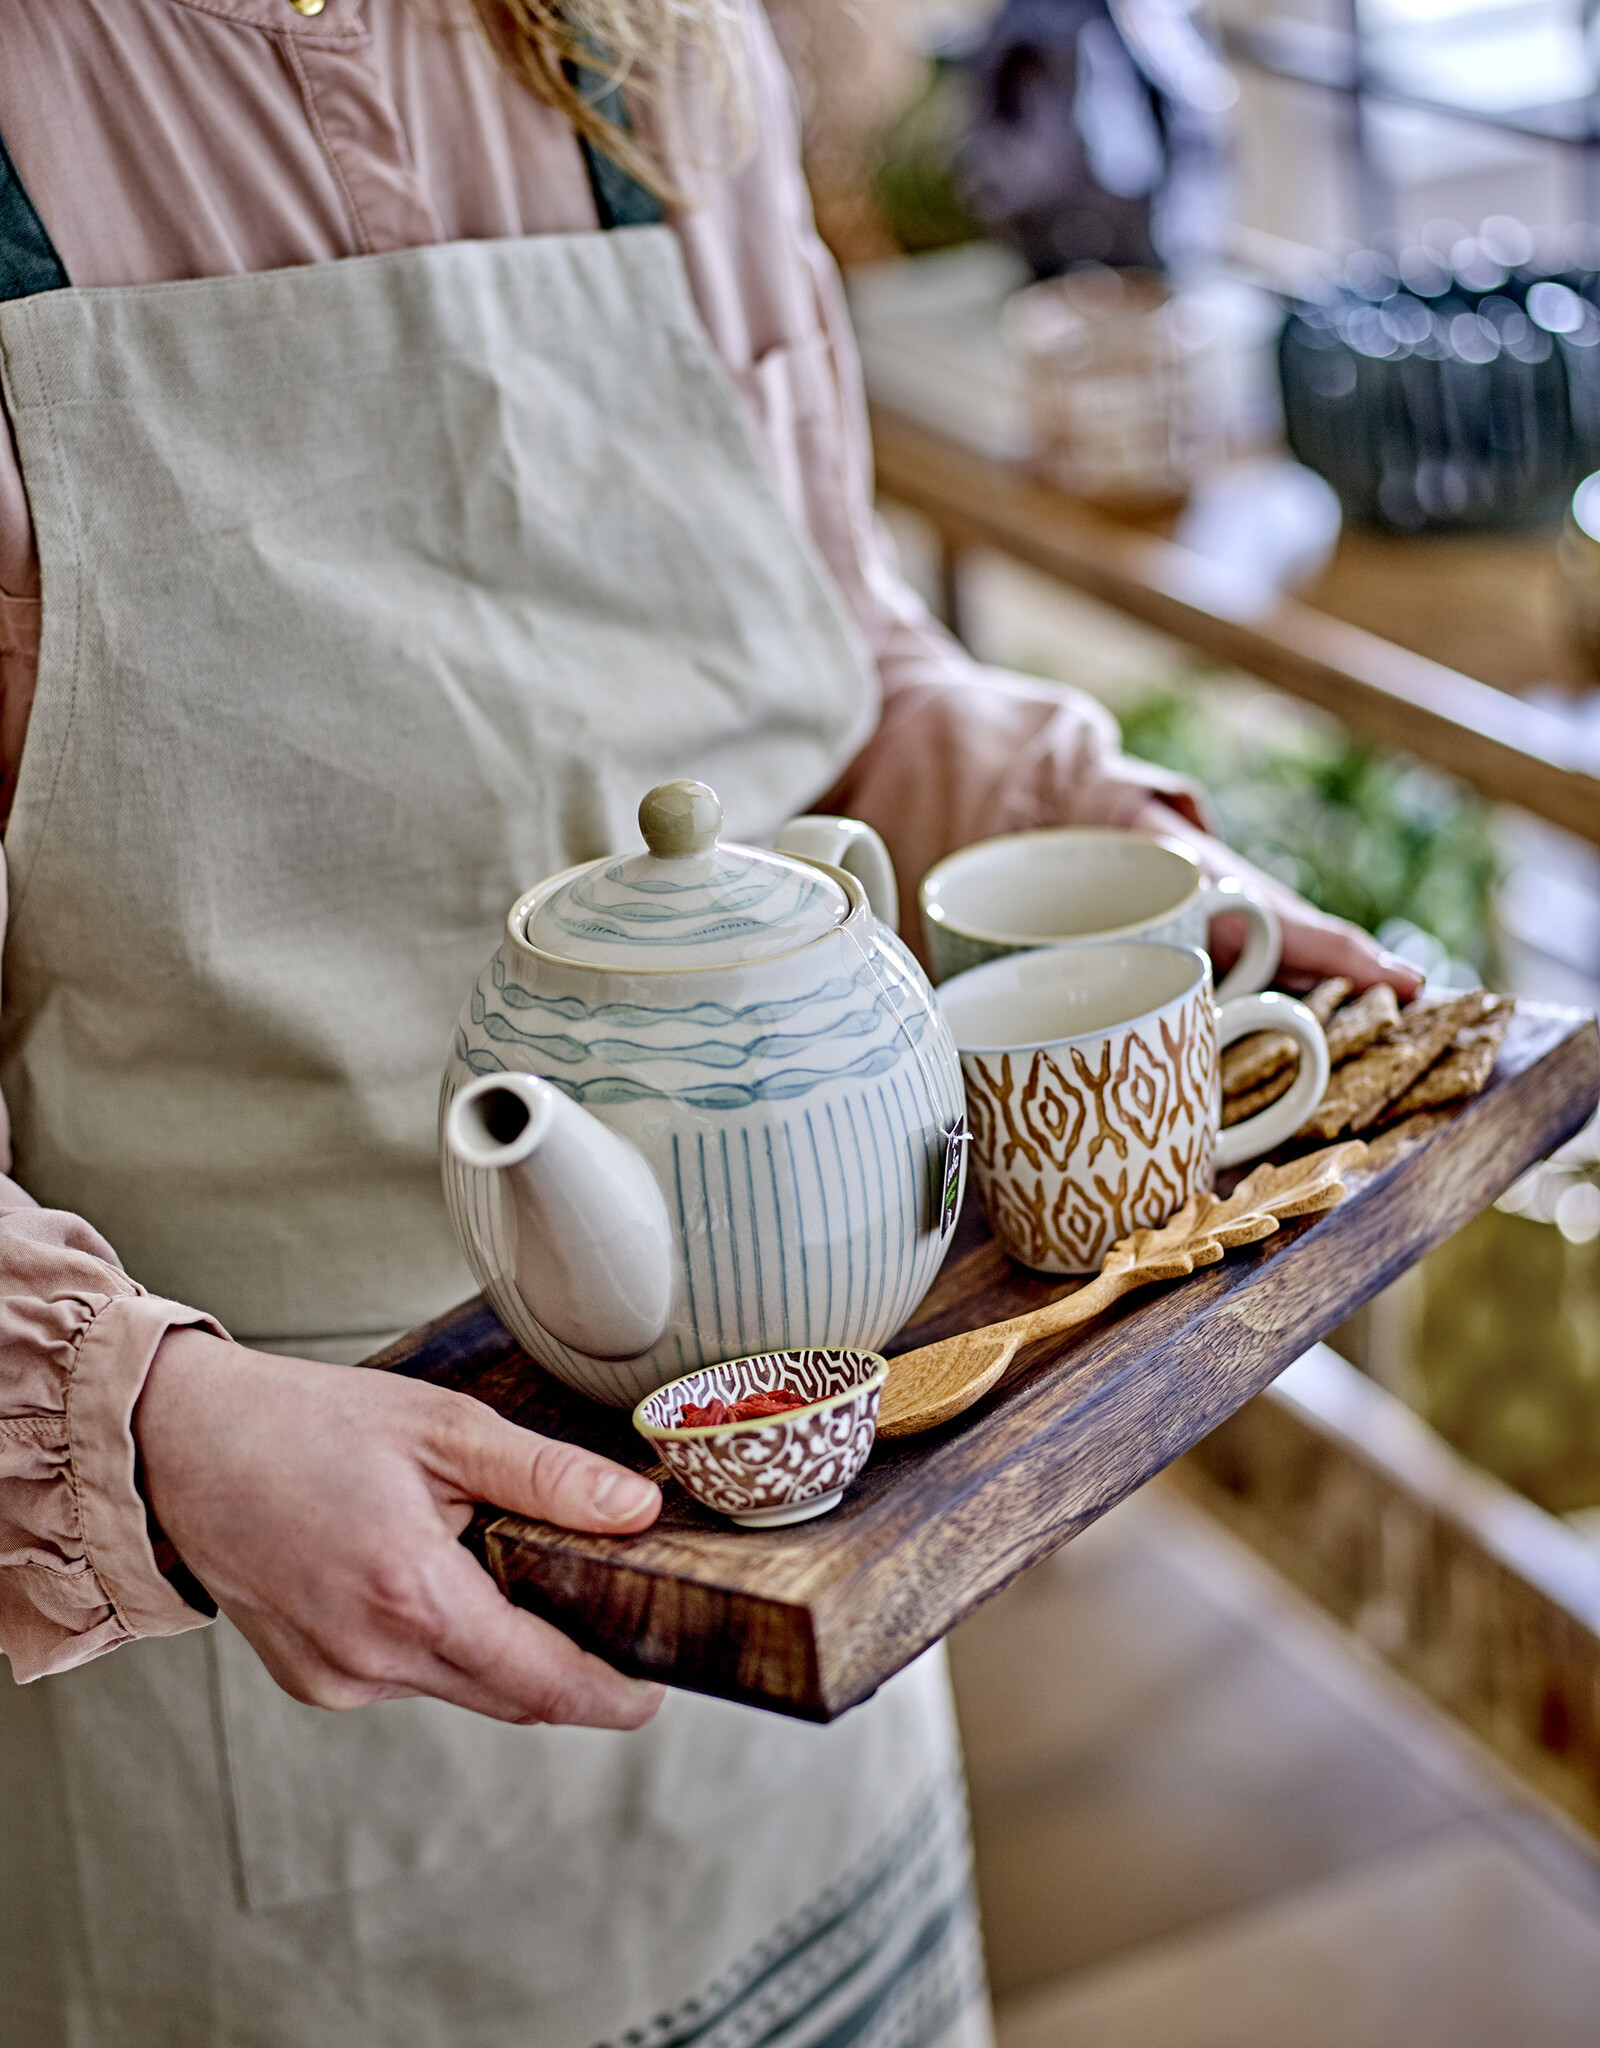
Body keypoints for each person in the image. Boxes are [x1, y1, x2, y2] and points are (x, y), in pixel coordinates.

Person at [0, 5, 1419, 2044]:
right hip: (250, 1665)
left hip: (803, 1582)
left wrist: (1093, 850)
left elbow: (827, 664)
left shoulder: (645, 47)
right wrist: (137, 1420)